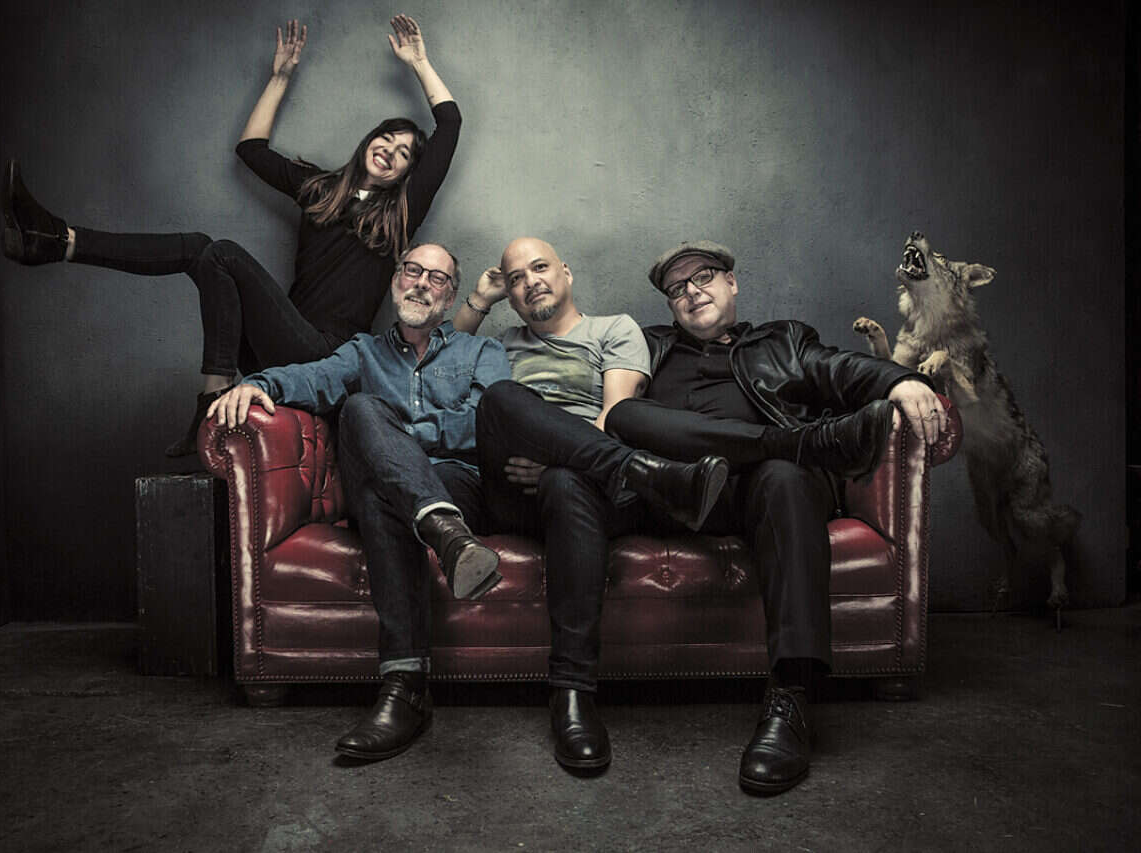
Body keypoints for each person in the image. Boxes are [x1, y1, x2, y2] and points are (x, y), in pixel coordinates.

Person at [1, 15, 463, 456]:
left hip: (324, 359)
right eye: (387, 138)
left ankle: (211, 399)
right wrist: (279, 77)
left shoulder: (400, 213)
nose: (390, 151)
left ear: (408, 173)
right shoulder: (320, 189)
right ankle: (59, 240)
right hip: (276, 348)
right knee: (201, 251)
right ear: (369, 141)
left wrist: (419, 62)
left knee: (218, 253)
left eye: (404, 153)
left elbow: (450, 124)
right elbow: (251, 149)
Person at [602, 240, 948, 795]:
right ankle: (802, 442)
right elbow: (608, 410)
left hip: (767, 490)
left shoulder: (783, 341)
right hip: (682, 493)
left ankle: (791, 697)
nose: (691, 292)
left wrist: (901, 380)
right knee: (626, 413)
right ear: (670, 305)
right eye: (677, 288)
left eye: (704, 277)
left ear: (732, 283)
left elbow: (841, 368)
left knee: (784, 475)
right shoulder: (649, 347)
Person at [207, 242, 511, 760]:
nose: (421, 283)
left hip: (457, 484)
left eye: (437, 278)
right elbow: (310, 378)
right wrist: (254, 384)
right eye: (412, 271)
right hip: (416, 502)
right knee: (362, 408)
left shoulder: (483, 352)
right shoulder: (361, 352)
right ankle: (444, 534)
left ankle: (404, 687)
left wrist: (400, 435)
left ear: (450, 296)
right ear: (395, 281)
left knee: (381, 487)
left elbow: (487, 424)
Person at [453, 237, 730, 771]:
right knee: (502, 397)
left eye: (540, 267)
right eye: (516, 278)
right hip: (512, 488)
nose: (530, 281)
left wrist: (562, 461)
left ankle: (572, 693)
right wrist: (481, 299)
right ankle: (650, 475)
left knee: (564, 481)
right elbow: (443, 355)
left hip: (589, 488)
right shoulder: (501, 345)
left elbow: (615, 416)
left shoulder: (614, 329)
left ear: (566, 272)